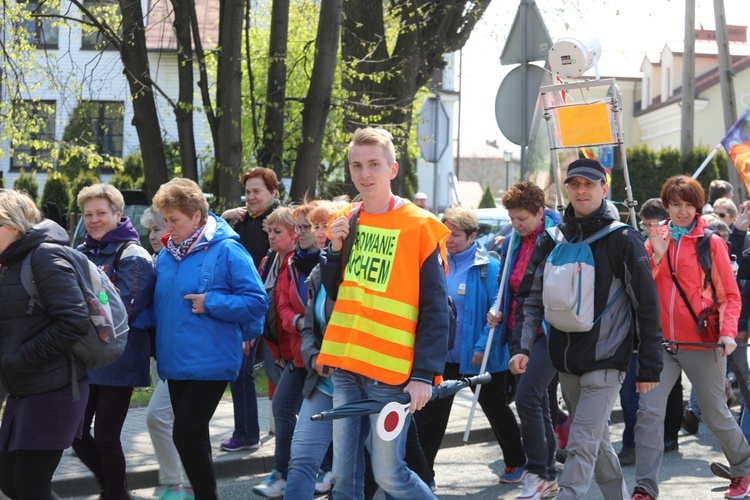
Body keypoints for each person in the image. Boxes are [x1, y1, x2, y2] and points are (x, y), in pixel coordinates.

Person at [512, 158, 663, 499]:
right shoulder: (553, 238)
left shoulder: (624, 238)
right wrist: (520, 348)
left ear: (604, 188)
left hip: (607, 359)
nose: (582, 191)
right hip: (565, 362)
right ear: (567, 188)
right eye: (575, 184)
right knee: (596, 442)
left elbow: (647, 304)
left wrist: (650, 363)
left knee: (581, 442)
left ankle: (569, 494)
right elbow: (530, 298)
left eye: (590, 184)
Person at [317, 127, 450, 498]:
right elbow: (335, 289)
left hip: (392, 375)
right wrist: (333, 249)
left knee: (389, 474)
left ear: (392, 169)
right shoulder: (345, 218)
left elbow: (437, 308)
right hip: (348, 367)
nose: (364, 174)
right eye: (357, 165)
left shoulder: (419, 225)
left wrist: (424, 374)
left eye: (374, 164)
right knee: (344, 479)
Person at [633, 175, 750, 500]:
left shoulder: (710, 243)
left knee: (714, 413)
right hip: (662, 346)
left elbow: (730, 296)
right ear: (667, 206)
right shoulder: (657, 238)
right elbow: (644, 291)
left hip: (703, 342)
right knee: (649, 414)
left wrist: (728, 333)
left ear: (698, 207)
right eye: (675, 204)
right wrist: (656, 256)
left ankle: (743, 468)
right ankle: (644, 487)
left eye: (688, 205)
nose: (682, 211)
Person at [151, 178, 268, 500]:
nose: (169, 226)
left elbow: (257, 300)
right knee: (192, 437)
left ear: (197, 217)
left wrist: (213, 302)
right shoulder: (165, 255)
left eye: (174, 219)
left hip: (212, 359)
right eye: (166, 219)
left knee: (186, 433)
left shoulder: (228, 249)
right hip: (174, 361)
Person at [416, 206, 527, 485]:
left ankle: (517, 462)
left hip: (482, 355)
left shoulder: (488, 266)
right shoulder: (437, 262)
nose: (449, 240)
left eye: (455, 235)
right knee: (432, 417)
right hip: (444, 356)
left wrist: (480, 346)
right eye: (446, 234)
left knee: (496, 410)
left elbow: (498, 308)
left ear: (472, 235)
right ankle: (422, 474)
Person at [0, 190, 89, 500]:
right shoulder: (10, 262)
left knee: (30, 486)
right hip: (23, 389)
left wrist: (22, 357)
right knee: (10, 483)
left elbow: (74, 321)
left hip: (55, 389)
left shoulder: (43, 256)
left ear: (14, 225)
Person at [72, 184, 156, 500]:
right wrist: (94, 300)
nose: (94, 220)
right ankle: (113, 490)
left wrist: (90, 298)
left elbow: (122, 311)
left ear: (118, 215)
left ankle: (116, 494)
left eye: (101, 213)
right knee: (75, 433)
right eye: (88, 214)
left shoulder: (133, 255)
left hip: (119, 360)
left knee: (107, 436)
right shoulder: (79, 253)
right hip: (84, 358)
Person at [485, 182, 562, 498]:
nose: (515, 225)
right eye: (512, 218)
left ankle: (536, 472)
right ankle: (548, 475)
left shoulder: (558, 239)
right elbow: (506, 284)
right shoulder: (511, 241)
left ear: (540, 213)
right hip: (519, 329)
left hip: (550, 330)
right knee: (538, 401)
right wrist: (496, 309)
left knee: (528, 397)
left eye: (521, 219)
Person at [617, 198, 683, 466]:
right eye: (643, 224)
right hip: (636, 333)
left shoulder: (675, 247)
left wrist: (657, 256)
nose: (644, 229)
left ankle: (666, 437)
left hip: (662, 333)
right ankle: (637, 442)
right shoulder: (639, 245)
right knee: (635, 395)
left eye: (646, 224)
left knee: (661, 390)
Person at [220, 167, 281, 453]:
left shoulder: (278, 222)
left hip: (267, 309)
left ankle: (250, 434)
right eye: (247, 192)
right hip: (243, 305)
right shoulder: (243, 220)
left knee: (248, 371)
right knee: (240, 370)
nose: (251, 197)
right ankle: (247, 432)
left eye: (257, 191)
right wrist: (224, 217)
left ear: (273, 192)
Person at [284, 200, 343, 499]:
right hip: (321, 381)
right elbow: (309, 326)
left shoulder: (354, 271)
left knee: (385, 471)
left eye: (327, 224)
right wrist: (314, 358)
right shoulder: (319, 271)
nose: (321, 232)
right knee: (302, 460)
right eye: (315, 225)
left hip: (360, 385)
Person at [139, 207, 191, 500]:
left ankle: (174, 483)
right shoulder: (158, 260)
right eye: (151, 231)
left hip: (182, 356)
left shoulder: (180, 260)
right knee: (177, 422)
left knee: (158, 417)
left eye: (159, 229)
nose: (154, 236)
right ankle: (186, 483)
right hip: (160, 353)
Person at [252, 207, 304, 498]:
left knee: (285, 409)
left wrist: (286, 347)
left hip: (296, 350)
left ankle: (285, 472)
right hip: (276, 348)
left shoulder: (298, 262)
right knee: (287, 410)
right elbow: (263, 303)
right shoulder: (269, 260)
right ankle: (295, 471)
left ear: (294, 233)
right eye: (269, 232)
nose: (271, 237)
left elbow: (288, 310)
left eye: (277, 232)